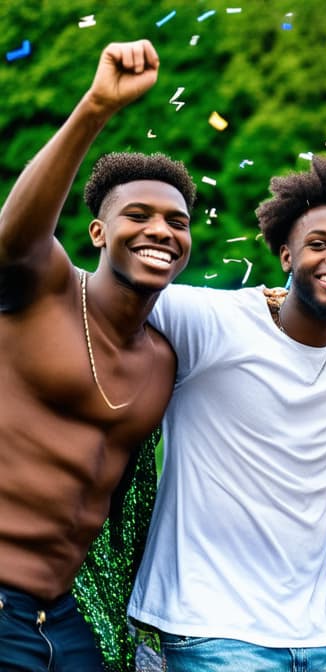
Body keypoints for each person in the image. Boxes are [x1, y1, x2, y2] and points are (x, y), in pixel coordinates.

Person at [127, 156, 326, 671]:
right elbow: (97, 300)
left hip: (318, 639)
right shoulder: (210, 321)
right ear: (285, 257)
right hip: (206, 630)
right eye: (318, 244)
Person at [0, 40, 196, 670]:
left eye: (178, 221)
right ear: (97, 232)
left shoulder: (166, 356)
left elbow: (280, 328)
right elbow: (14, 238)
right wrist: (95, 107)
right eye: (137, 215)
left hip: (70, 617)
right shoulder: (47, 289)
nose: (161, 231)